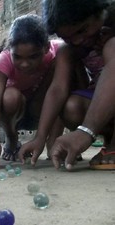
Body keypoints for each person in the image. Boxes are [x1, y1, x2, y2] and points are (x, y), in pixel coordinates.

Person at [19, 0, 115, 170]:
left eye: (83, 30)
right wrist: (40, 137)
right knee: (72, 107)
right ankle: (109, 139)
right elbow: (58, 89)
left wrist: (86, 131)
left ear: (101, 13)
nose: (77, 40)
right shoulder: (71, 49)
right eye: (68, 37)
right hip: (104, 101)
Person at [0, 14, 63, 164]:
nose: (24, 64)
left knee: (62, 79)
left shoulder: (58, 51)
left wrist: (42, 138)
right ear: (10, 50)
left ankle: (54, 142)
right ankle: (11, 139)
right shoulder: (4, 60)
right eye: (17, 57)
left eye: (33, 57)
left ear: (46, 48)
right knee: (9, 97)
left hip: (43, 110)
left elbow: (60, 93)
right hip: (16, 114)